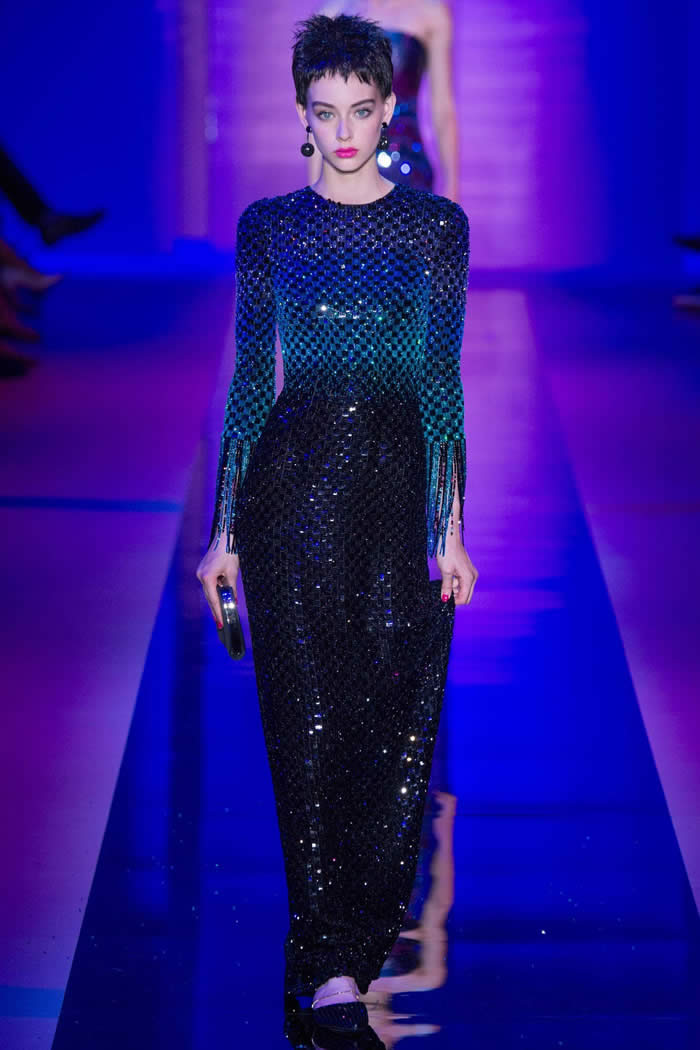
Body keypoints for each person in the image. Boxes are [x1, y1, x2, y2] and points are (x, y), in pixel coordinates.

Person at [196, 13, 477, 1037]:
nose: (346, 130)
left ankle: (347, 952)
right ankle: (325, 975)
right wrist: (225, 528)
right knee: (307, 731)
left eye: (362, 109)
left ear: (390, 106)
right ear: (302, 116)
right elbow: (248, 384)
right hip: (292, 493)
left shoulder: (435, 228)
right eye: (326, 112)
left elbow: (439, 382)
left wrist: (450, 524)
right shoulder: (269, 227)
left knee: (393, 730)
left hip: (397, 497)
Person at [309, 0, 460, 198]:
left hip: (409, 167)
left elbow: (442, 108)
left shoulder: (430, 15)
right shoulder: (333, 14)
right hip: (347, 169)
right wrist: (314, 191)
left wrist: (451, 185)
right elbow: (321, 112)